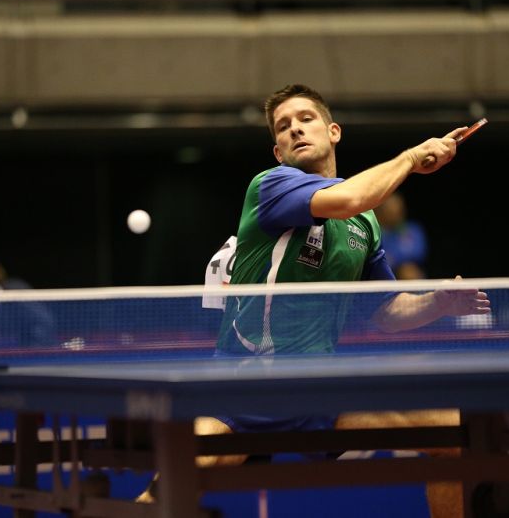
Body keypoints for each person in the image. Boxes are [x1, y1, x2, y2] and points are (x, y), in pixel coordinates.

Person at [140, 85, 490, 517]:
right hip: (243, 388)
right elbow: (350, 198)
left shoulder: (365, 224)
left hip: (316, 390)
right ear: (278, 151)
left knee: (451, 433)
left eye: (305, 119)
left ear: (333, 131)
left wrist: (438, 302)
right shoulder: (271, 186)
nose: (295, 129)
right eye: (283, 126)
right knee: (168, 489)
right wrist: (411, 158)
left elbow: (385, 311)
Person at [375, 191, 428, 279]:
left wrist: (394, 259)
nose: (394, 213)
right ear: (380, 211)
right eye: (390, 210)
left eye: (398, 209)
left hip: (409, 273)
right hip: (384, 277)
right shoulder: (376, 233)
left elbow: (419, 254)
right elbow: (378, 261)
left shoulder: (413, 229)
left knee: (409, 271)